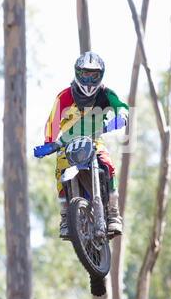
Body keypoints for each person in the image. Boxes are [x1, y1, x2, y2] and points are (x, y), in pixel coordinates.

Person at [44, 51, 129, 240]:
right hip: (68, 144)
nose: (89, 80)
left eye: (94, 75)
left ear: (101, 76)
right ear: (77, 72)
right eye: (85, 74)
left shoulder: (105, 93)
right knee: (60, 169)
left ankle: (113, 213)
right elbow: (52, 120)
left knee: (107, 163)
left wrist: (122, 116)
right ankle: (66, 216)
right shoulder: (65, 95)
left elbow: (120, 105)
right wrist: (48, 143)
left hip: (94, 140)